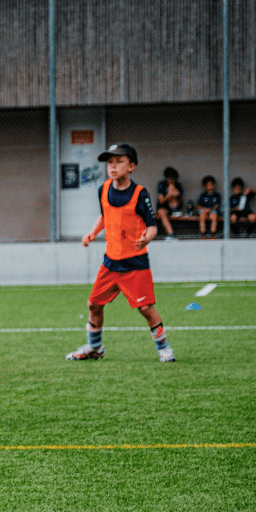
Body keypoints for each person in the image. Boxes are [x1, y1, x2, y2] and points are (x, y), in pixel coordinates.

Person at [66, 143, 175, 364]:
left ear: (131, 166)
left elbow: (152, 225)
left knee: (146, 308)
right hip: (110, 263)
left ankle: (164, 348)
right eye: (110, 162)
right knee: (94, 304)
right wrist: (91, 233)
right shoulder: (103, 189)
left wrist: (147, 238)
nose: (113, 166)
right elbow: (105, 216)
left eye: (119, 162)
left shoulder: (140, 193)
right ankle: (95, 348)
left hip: (135, 263)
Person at [154, 166, 184, 240]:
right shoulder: (162, 184)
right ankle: (171, 234)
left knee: (172, 190)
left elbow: (182, 200)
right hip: (164, 206)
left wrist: (176, 195)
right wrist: (169, 195)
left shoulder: (178, 185)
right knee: (161, 212)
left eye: (173, 179)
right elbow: (161, 200)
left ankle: (175, 211)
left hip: (175, 206)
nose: (172, 181)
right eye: (170, 179)